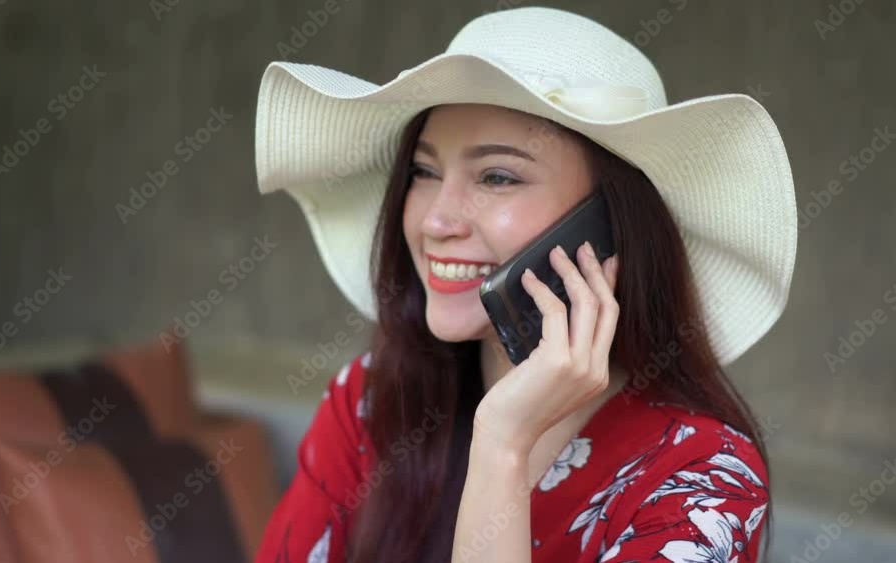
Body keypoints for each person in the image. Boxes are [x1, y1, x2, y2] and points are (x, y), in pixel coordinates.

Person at [251, 6, 796, 563]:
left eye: (497, 177)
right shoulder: (373, 403)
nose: (437, 221)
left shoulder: (701, 481)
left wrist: (503, 446)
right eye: (424, 171)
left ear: (608, 225)